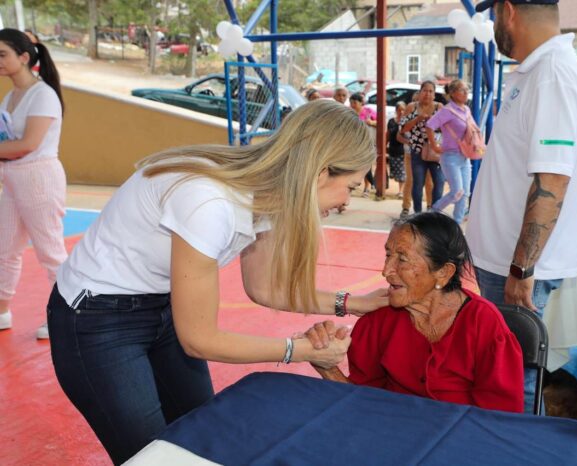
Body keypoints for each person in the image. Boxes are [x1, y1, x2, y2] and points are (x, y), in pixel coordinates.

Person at [47, 100, 388, 464]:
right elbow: (199, 339)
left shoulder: (269, 194)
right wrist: (300, 351)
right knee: (153, 456)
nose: (346, 201)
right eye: (351, 186)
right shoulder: (209, 201)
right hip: (97, 319)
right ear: (320, 174)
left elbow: (266, 288)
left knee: (202, 434)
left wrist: (357, 302)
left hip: (160, 308)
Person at [304, 212, 524, 413]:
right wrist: (328, 368)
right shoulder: (379, 318)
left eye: (402, 259)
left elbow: (497, 418)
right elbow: (361, 401)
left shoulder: (484, 324)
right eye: (387, 255)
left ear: (443, 272)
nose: (386, 270)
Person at [466, 0, 577, 315]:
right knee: (503, 361)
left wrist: (522, 268)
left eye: (495, 14)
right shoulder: (538, 72)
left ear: (508, 11)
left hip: (516, 268)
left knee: (512, 363)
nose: (495, 24)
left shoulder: (552, 75)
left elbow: (552, 178)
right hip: (505, 262)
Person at [0, 28, 66, 340]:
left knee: (50, 252)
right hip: (13, 180)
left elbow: (27, 143)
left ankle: (66, 318)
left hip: (39, 179)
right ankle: (1, 311)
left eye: (3, 55)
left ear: (24, 58)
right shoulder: (10, 96)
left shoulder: (44, 95)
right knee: (4, 248)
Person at [426, 79, 474, 225]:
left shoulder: (466, 110)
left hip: (465, 157)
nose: (466, 93)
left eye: (467, 89)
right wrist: (434, 146)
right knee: (456, 192)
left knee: (464, 194)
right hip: (450, 157)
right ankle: (433, 212)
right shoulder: (447, 111)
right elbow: (429, 125)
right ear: (452, 93)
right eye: (462, 90)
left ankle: (456, 225)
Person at [400, 81, 444, 213]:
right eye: (425, 90)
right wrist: (417, 119)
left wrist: (433, 122)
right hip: (417, 151)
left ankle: (434, 212)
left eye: (431, 91)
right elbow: (403, 129)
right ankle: (418, 213)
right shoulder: (411, 107)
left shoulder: (439, 107)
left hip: (435, 151)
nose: (428, 94)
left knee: (439, 182)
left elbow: (446, 128)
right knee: (418, 183)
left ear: (434, 95)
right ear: (419, 93)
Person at [349, 92, 377, 197]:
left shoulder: (368, 111)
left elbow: (381, 122)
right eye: (351, 102)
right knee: (357, 166)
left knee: (367, 164)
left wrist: (372, 123)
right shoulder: (349, 113)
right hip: (354, 143)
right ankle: (353, 185)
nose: (352, 105)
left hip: (368, 142)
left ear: (361, 103)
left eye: (355, 102)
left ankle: (367, 187)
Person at [387, 101, 407, 198]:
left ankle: (401, 191)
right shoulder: (391, 121)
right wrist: (384, 147)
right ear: (396, 111)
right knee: (395, 172)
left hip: (402, 150)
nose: (401, 112)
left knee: (402, 172)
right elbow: (388, 135)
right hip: (392, 149)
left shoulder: (407, 122)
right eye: (399, 110)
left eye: (403, 110)